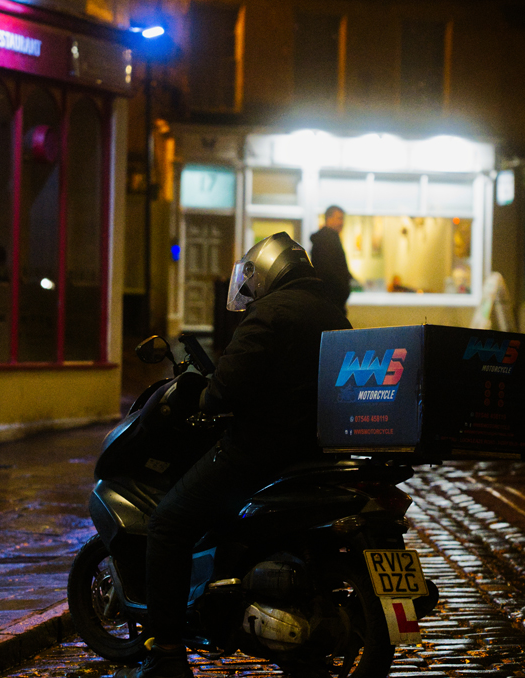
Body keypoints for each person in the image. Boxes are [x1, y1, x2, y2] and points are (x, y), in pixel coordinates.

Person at [117, 232, 351, 678]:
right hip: (312, 454)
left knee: (168, 523)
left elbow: (221, 392)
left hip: (257, 452)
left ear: (268, 273)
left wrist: (201, 394)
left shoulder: (269, 314)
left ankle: (165, 651)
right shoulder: (334, 317)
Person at [309, 205, 353, 315]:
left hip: (331, 302)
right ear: (329, 218)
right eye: (339, 218)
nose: (342, 223)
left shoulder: (327, 239)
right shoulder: (327, 241)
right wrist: (342, 289)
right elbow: (328, 271)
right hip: (331, 303)